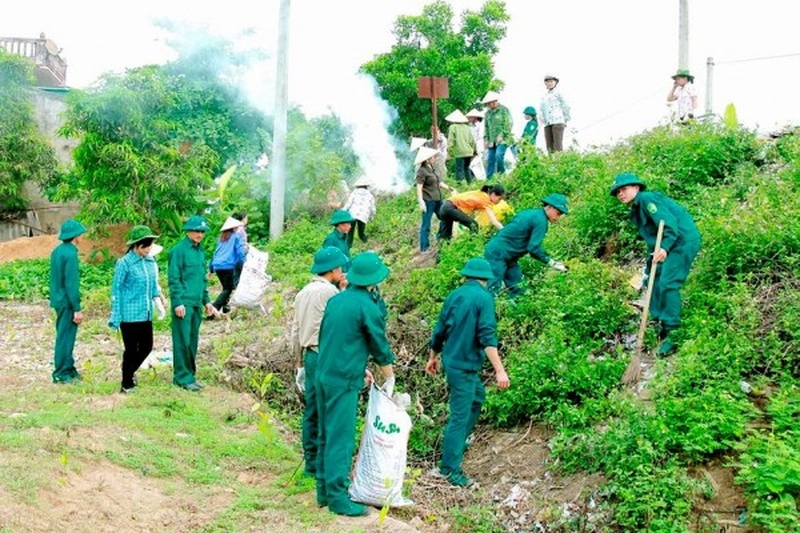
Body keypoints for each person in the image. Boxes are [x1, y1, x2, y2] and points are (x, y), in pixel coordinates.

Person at [315, 251, 396, 516]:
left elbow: (339, 339)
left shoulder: (337, 300)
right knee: (341, 437)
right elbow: (378, 343)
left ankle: (324, 491)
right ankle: (339, 499)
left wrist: (358, 367)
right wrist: (390, 375)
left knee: (326, 433)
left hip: (324, 373)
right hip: (342, 381)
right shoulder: (367, 306)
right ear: (374, 279)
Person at [425, 257, 510, 487]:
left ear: (467, 276)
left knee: (476, 399)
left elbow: (440, 329)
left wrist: (433, 357)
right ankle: (449, 470)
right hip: (464, 366)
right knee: (459, 416)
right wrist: (500, 371)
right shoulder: (484, 298)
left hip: (453, 362)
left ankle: (458, 442)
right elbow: (487, 338)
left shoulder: (455, 295)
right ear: (486, 278)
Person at [610, 173, 701, 355]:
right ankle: (661, 325)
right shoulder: (635, 211)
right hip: (667, 243)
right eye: (618, 191)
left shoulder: (647, 199)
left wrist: (665, 248)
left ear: (636, 188)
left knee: (668, 283)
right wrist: (647, 269)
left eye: (624, 189)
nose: (621, 194)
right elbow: (652, 241)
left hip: (681, 241)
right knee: (654, 280)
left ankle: (674, 332)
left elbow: (668, 225)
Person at [290, 247, 348, 479]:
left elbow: (295, 330)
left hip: (309, 356)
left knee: (312, 409)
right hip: (327, 355)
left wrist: (298, 363)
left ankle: (311, 463)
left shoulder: (303, 293)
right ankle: (326, 465)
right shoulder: (330, 294)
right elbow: (340, 327)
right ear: (333, 270)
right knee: (330, 410)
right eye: (340, 268)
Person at [109, 225, 164, 393]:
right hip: (129, 314)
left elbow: (153, 285)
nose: (148, 250)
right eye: (145, 246)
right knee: (132, 350)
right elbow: (116, 290)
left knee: (147, 347)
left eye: (150, 246)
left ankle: (129, 372)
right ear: (136, 245)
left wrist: (160, 301)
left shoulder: (150, 261)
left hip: (145, 312)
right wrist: (116, 314)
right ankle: (126, 383)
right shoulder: (124, 263)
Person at [484, 194, 570, 297]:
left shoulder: (531, 213)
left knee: (518, 286)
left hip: (508, 255)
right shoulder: (541, 221)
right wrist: (551, 262)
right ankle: (484, 310)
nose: (558, 217)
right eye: (558, 213)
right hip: (498, 253)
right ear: (549, 207)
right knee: (492, 287)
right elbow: (533, 248)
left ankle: (513, 310)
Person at [168, 215, 216, 392]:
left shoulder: (200, 251)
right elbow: (174, 279)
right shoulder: (178, 251)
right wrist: (178, 302)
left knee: (193, 341)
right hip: (184, 303)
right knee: (182, 341)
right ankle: (182, 377)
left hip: (196, 303)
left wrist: (207, 301)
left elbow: (201, 279)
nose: (200, 234)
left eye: (202, 231)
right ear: (188, 231)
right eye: (197, 231)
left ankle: (190, 376)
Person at [49, 219, 87, 384]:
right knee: (65, 338)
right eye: (80, 234)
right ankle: (62, 373)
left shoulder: (58, 251)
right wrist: (77, 308)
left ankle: (69, 368)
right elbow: (71, 283)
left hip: (58, 300)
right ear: (75, 235)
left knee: (64, 335)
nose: (82, 236)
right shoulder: (71, 253)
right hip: (67, 302)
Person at [415, 146, 457, 252]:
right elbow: (419, 187)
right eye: (432, 157)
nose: (434, 158)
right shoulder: (422, 171)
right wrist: (421, 201)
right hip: (428, 201)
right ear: (427, 159)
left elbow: (438, 183)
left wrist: (449, 188)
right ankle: (424, 248)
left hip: (438, 200)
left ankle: (441, 238)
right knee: (426, 224)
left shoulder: (432, 169)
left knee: (445, 218)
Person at [438, 183, 505, 240]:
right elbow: (494, 221)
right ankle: (471, 244)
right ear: (493, 194)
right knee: (474, 225)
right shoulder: (486, 201)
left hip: (445, 205)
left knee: (445, 237)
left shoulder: (481, 193)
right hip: (451, 208)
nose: (499, 201)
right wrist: (505, 230)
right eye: (499, 199)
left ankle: (440, 253)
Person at [210, 216, 247, 314]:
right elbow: (240, 251)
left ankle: (226, 308)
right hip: (228, 265)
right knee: (228, 289)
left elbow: (215, 252)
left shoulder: (221, 238)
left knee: (225, 288)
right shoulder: (236, 236)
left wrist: (211, 268)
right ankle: (213, 309)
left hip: (217, 265)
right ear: (234, 227)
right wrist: (245, 261)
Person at [482, 91, 513, 179]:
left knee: (499, 156)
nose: (488, 105)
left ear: (494, 101)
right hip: (492, 141)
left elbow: (508, 123)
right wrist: (486, 139)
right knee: (490, 160)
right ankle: (489, 180)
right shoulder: (487, 114)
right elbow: (486, 127)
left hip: (503, 140)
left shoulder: (504, 110)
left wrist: (502, 134)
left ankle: (501, 176)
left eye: (489, 103)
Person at [540, 74, 571, 153]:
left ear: (555, 82)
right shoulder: (545, 96)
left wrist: (565, 118)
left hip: (558, 121)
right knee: (549, 146)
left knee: (557, 145)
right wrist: (542, 118)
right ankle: (550, 163)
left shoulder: (559, 93)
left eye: (551, 81)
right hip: (547, 122)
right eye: (547, 81)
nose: (549, 83)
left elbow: (566, 106)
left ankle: (558, 163)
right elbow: (542, 109)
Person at [342, 177, 377, 247]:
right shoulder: (370, 196)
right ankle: (366, 244)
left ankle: (348, 247)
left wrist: (342, 212)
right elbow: (372, 209)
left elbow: (348, 203)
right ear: (366, 186)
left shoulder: (354, 193)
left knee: (350, 233)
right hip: (363, 216)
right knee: (361, 233)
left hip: (352, 214)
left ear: (358, 186)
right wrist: (371, 217)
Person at [445, 109, 476, 185]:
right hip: (469, 151)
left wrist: (449, 151)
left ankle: (460, 185)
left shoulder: (453, 127)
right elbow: (472, 140)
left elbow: (451, 140)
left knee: (459, 169)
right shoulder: (467, 127)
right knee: (467, 168)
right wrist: (474, 151)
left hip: (460, 152)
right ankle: (470, 184)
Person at [465, 109, 486, 181]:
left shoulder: (480, 126)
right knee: (476, 164)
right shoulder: (471, 127)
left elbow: (480, 137)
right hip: (474, 147)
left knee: (474, 164)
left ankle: (481, 179)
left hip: (479, 147)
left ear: (474, 117)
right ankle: (480, 179)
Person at [231, 211, 249, 286]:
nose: (247, 220)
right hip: (240, 251)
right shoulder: (240, 228)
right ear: (243, 219)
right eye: (247, 218)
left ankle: (234, 285)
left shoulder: (235, 227)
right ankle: (236, 285)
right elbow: (239, 240)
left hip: (236, 252)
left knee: (236, 270)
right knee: (240, 270)